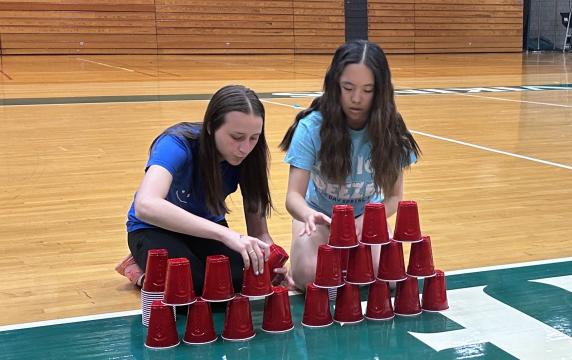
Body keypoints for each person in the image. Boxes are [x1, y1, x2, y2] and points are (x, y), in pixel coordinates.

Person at [116, 84, 288, 294]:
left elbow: (259, 233)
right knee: (187, 284)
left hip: (207, 232)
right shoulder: (176, 143)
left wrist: (269, 260)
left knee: (236, 282)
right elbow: (146, 205)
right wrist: (227, 235)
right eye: (236, 137)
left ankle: (163, 268)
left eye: (254, 138)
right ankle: (139, 268)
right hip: (154, 228)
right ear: (210, 127)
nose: (245, 148)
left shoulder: (251, 157)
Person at [279, 40, 421, 291]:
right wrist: (307, 216)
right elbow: (293, 196)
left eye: (368, 90)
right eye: (348, 87)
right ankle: (304, 257)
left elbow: (395, 196)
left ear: (381, 91)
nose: (357, 98)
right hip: (319, 217)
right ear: (335, 85)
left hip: (366, 218)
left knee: (383, 276)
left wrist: (366, 220)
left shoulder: (391, 128)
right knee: (309, 277)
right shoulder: (312, 127)